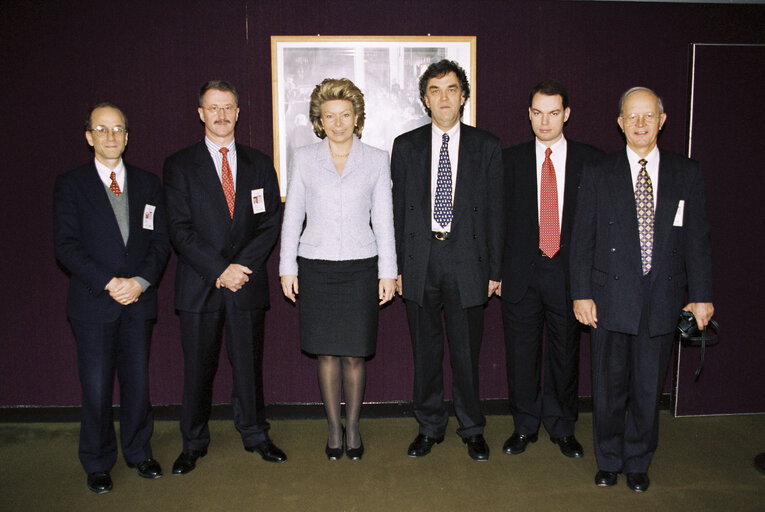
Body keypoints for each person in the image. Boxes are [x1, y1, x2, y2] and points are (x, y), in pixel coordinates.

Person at [570, 87, 714, 492]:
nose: (639, 124)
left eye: (647, 116)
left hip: (661, 300)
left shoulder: (688, 173)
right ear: (619, 123)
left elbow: (698, 242)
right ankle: (609, 459)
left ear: (662, 121)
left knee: (648, 389)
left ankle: (637, 461)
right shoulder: (600, 172)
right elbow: (582, 239)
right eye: (631, 117)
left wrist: (701, 295)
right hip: (609, 300)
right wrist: (580, 292)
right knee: (609, 387)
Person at [163, 80, 285, 474]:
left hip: (246, 284)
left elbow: (270, 223)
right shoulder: (179, 165)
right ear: (201, 113)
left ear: (237, 112)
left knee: (249, 366)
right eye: (213, 107)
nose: (221, 115)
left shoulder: (259, 163)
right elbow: (179, 229)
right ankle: (194, 442)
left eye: (228, 107)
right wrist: (219, 270)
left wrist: (239, 270)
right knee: (198, 368)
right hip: (201, 285)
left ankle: (255, 433)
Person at [53, 102, 170, 493]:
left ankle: (139, 452)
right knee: (97, 386)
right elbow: (66, 247)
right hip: (93, 303)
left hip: (138, 300)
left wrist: (139, 282)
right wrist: (110, 282)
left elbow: (160, 242)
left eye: (118, 129)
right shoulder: (71, 185)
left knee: (137, 382)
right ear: (89, 137)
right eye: (102, 130)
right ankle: (98, 460)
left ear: (127, 136)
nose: (111, 137)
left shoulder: (148, 182)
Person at [392, 60, 504, 461]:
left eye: (452, 89)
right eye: (435, 90)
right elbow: (396, 211)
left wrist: (495, 271)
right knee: (425, 353)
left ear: (463, 96)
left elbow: (496, 211)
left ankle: (472, 427)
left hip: (468, 263)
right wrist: (397, 268)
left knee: (465, 354)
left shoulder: (486, 146)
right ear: (425, 98)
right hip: (420, 262)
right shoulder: (405, 147)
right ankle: (429, 426)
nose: (444, 97)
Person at [280, 78, 397, 461]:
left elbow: (384, 220)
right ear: (319, 120)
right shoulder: (304, 158)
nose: (338, 122)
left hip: (362, 268)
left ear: (357, 118)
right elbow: (292, 214)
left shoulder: (377, 159)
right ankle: (333, 428)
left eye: (345, 115)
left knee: (355, 355)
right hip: (315, 268)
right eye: (329, 116)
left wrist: (388, 272)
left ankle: (354, 425)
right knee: (327, 354)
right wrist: (287, 267)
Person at [498, 80, 603, 459]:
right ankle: (524, 426)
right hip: (521, 275)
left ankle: (562, 427)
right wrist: (496, 271)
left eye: (554, 113)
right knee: (521, 355)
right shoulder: (509, 160)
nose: (545, 121)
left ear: (567, 114)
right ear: (529, 114)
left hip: (568, 275)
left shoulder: (591, 160)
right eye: (538, 113)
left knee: (565, 354)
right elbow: (498, 222)